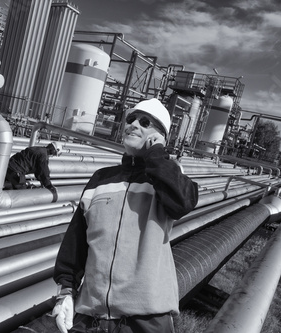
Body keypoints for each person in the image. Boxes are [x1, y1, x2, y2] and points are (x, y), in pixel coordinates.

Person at [52, 98, 199, 333]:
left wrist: (157, 156)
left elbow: (183, 202)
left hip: (146, 320)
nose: (133, 125)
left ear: (159, 136)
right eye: (131, 119)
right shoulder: (101, 179)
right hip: (93, 318)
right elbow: (76, 241)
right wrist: (66, 293)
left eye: (145, 122)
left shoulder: (166, 177)